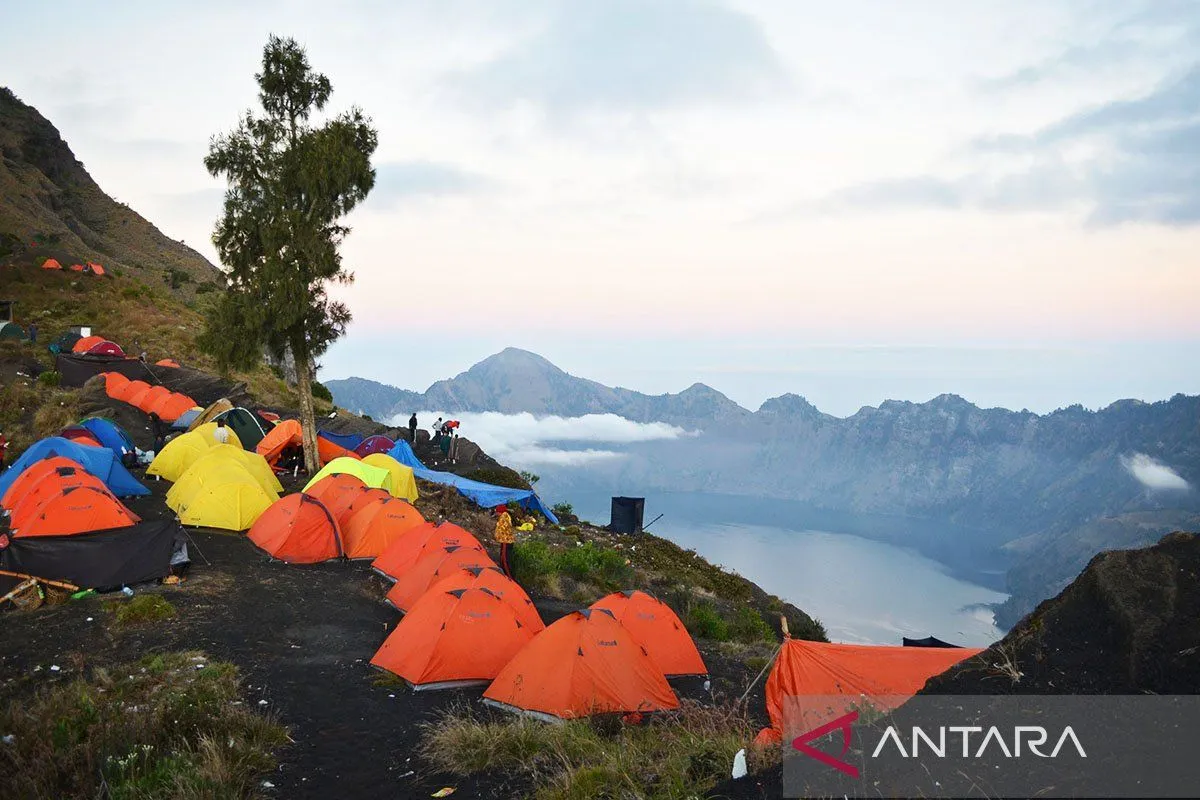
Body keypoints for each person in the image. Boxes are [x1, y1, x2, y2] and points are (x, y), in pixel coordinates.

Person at [494, 504, 515, 578]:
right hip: (506, 541)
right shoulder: (505, 516)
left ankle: (509, 577)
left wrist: (497, 537)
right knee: (504, 559)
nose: (496, 514)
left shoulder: (504, 518)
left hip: (506, 541)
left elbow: (500, 530)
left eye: (497, 512)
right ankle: (505, 575)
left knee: (505, 560)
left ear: (500, 512)